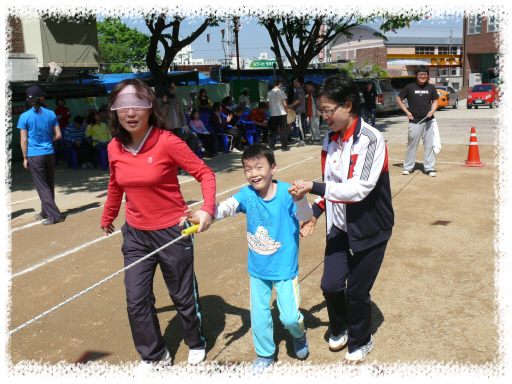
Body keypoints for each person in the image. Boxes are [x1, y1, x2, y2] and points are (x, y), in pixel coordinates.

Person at [100, 79, 216, 374]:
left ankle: (195, 341)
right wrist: (109, 216)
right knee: (136, 299)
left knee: (182, 295)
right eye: (123, 107)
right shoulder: (114, 147)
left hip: (171, 232)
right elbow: (115, 185)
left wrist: (206, 209)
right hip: (136, 235)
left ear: (150, 108)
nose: (130, 113)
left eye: (137, 106)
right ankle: (154, 355)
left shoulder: (167, 141)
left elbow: (204, 173)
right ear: (115, 112)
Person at [290, 73, 394, 365]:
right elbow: (331, 183)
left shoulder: (372, 139)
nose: (323, 116)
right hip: (338, 224)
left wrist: (313, 187)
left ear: (348, 106)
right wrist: (316, 213)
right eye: (321, 110)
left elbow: (358, 188)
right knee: (331, 286)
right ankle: (340, 326)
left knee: (358, 291)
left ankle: (362, 339)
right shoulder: (329, 140)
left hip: (370, 226)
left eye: (327, 109)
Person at [183, 144, 313, 374]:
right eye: (247, 169)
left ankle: (299, 335)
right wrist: (206, 214)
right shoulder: (247, 194)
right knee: (260, 315)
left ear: (273, 168)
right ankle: (265, 354)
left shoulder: (286, 193)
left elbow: (305, 216)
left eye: (259, 167)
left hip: (284, 268)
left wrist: (301, 198)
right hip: (258, 268)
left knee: (291, 317)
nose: (254, 174)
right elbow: (226, 207)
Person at [17, 85, 64, 226]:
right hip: (49, 153)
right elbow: (58, 135)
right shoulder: (51, 114)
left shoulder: (24, 116)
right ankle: (45, 212)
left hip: (35, 155)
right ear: (41, 98)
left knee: (42, 186)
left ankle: (54, 215)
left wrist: (25, 158)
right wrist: (47, 140)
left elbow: (23, 140)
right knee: (48, 184)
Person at [396, 65, 439, 177]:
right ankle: (408, 167)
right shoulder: (409, 87)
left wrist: (432, 111)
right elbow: (399, 99)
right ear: (416, 75)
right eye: (420, 74)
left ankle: (429, 168)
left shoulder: (431, 87)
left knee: (429, 145)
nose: (422, 76)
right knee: (412, 145)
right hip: (414, 122)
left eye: (424, 74)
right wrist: (407, 112)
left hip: (428, 121)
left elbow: (435, 101)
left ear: (427, 75)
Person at [267, 77, 289, 152]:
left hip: (273, 114)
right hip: (282, 113)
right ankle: (284, 147)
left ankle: (272, 147)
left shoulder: (269, 92)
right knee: (283, 130)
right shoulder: (281, 92)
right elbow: (285, 104)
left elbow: (269, 104)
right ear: (279, 83)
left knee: (273, 131)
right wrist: (287, 111)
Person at [288, 77, 307, 147]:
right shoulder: (298, 90)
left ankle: (303, 140)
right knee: (298, 125)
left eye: (296, 81)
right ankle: (302, 139)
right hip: (298, 110)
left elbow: (299, 100)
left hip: (299, 110)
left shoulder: (299, 90)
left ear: (299, 83)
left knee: (300, 125)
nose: (294, 82)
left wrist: (290, 105)